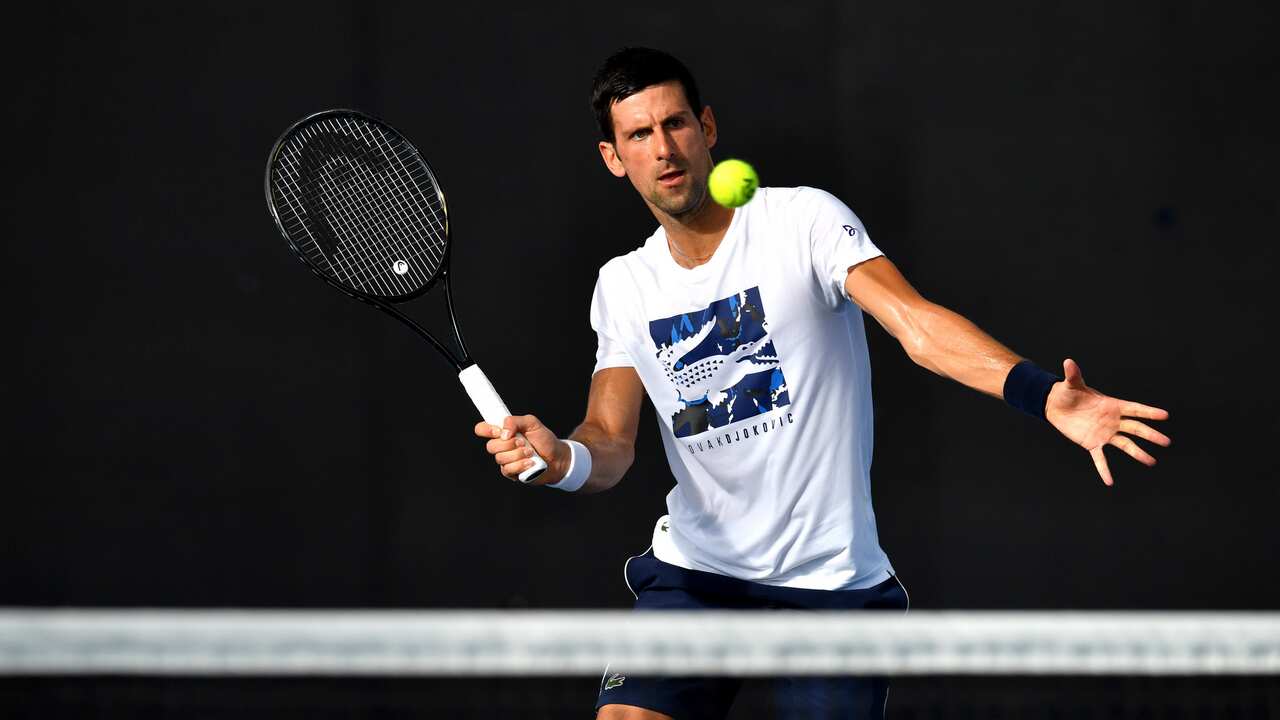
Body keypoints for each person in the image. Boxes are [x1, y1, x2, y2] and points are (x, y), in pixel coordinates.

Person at [473, 47, 1171, 720]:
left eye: (675, 123)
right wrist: (561, 460)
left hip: (829, 585)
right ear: (613, 157)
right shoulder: (624, 286)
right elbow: (610, 440)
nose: (663, 148)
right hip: (699, 575)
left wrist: (1042, 392)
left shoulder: (801, 221)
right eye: (639, 134)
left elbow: (916, 325)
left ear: (706, 127)